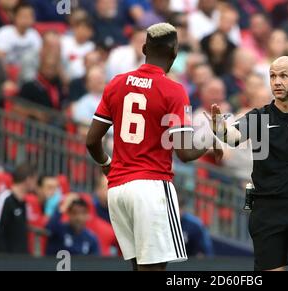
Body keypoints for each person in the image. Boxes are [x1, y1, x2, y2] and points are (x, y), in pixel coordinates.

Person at [86, 23, 222, 271]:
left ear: (144, 48)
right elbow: (185, 153)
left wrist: (107, 165)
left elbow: (91, 141)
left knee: (138, 268)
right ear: (175, 53)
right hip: (151, 188)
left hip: (117, 191)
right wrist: (212, 134)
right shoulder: (174, 91)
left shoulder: (116, 84)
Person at [205, 56, 288, 271]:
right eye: (272, 76)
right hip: (267, 210)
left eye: (283, 76)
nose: (277, 82)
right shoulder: (260, 117)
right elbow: (232, 137)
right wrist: (219, 127)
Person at [0, 163, 37, 254]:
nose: (36, 184)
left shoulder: (23, 203)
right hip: (5, 262)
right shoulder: (5, 199)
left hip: (21, 261)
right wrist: (4, 257)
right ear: (28, 180)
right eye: (35, 180)